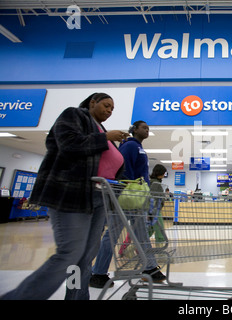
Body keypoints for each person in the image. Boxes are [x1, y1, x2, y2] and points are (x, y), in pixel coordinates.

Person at [1, 93, 127, 300]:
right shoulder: (75, 115)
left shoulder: (101, 129)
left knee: (85, 258)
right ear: (92, 102)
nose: (109, 110)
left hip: (97, 199)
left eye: (112, 109)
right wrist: (106, 138)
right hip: (71, 194)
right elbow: (69, 144)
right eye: (106, 105)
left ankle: (77, 297)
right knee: (70, 253)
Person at [90, 121, 166, 288]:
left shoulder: (138, 148)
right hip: (127, 197)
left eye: (148, 128)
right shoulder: (130, 146)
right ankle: (98, 273)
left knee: (140, 233)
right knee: (114, 234)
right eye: (144, 127)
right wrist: (129, 188)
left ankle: (149, 268)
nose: (147, 130)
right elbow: (122, 170)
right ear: (134, 129)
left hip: (135, 197)